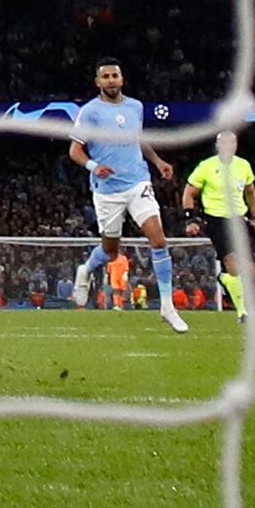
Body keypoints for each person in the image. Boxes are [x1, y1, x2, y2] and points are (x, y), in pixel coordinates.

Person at [67, 58, 187, 334]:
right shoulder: (90, 112)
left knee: (158, 239)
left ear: (122, 79)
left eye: (115, 75)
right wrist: (95, 166)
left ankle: (168, 307)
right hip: (107, 191)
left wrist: (157, 162)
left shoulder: (135, 107)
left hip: (138, 183)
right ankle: (85, 269)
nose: (111, 80)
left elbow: (138, 139)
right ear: (98, 82)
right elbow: (75, 151)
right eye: (105, 76)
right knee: (111, 252)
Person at [182, 130, 255, 321]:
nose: (229, 147)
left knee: (250, 271)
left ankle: (225, 279)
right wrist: (190, 219)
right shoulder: (207, 166)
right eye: (225, 143)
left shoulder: (243, 165)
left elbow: (251, 192)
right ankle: (243, 312)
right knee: (235, 265)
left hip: (240, 219)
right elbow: (189, 192)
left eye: (232, 143)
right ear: (218, 146)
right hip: (217, 219)